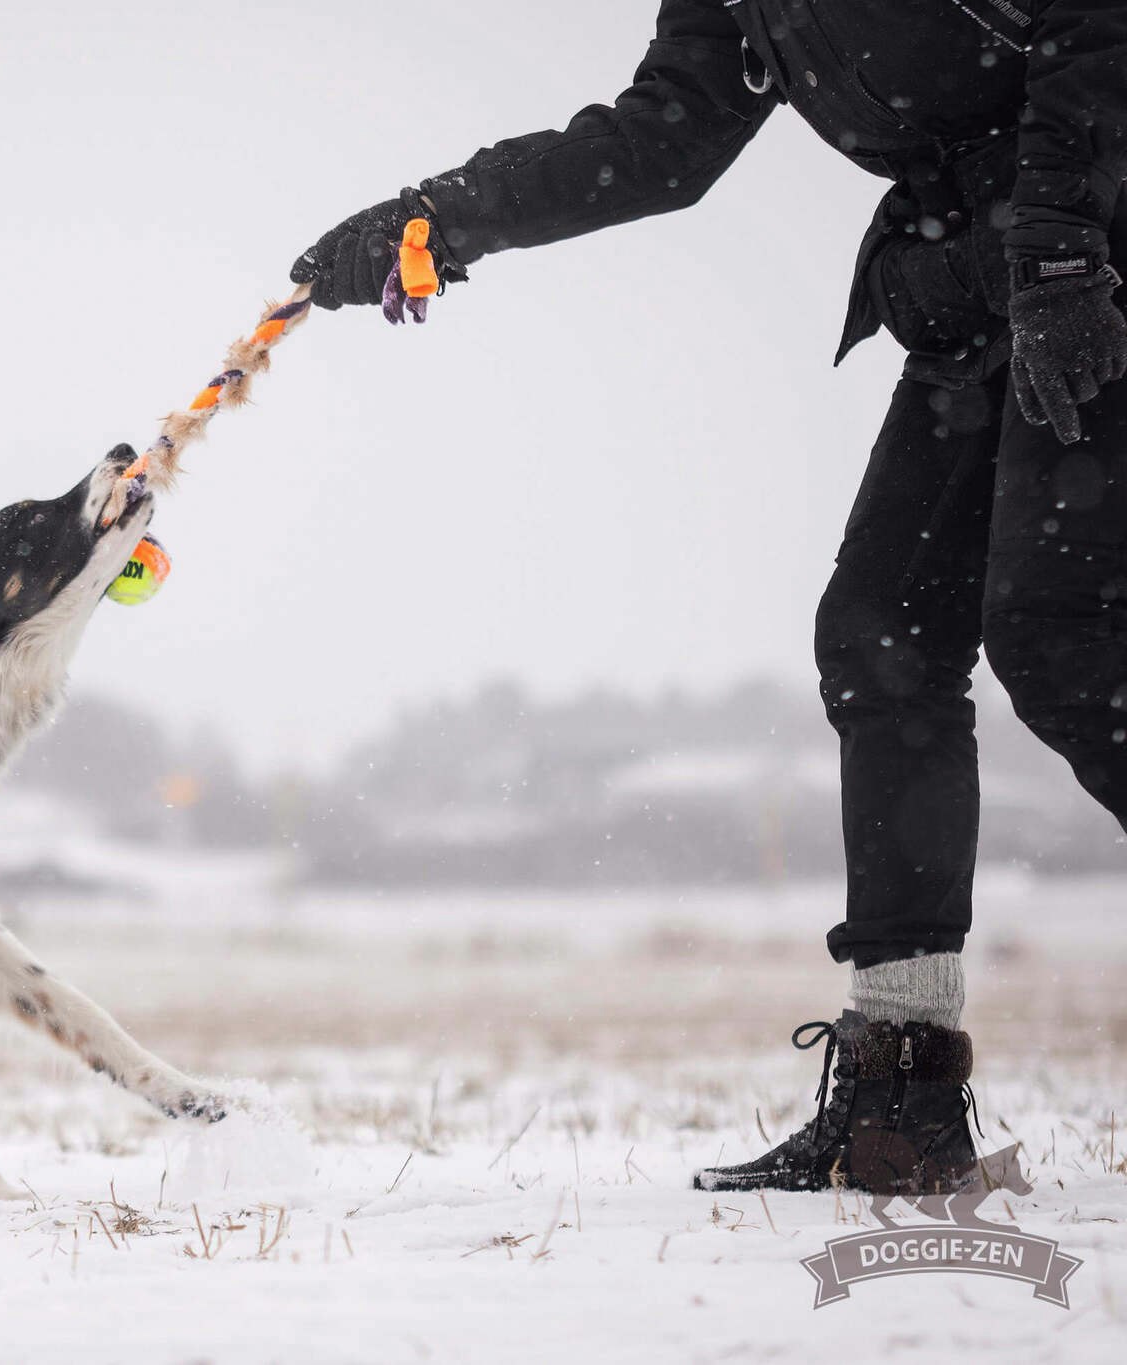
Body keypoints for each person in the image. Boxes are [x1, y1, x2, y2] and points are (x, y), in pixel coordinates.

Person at [291, 0, 1127, 1195]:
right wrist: (440, 214)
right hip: (982, 276)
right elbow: (662, 140)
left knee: (1052, 632)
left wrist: (1053, 254)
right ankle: (902, 1093)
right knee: (880, 642)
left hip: (1084, 250)